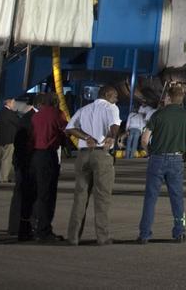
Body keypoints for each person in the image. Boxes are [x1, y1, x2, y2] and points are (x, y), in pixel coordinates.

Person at [137, 86, 186, 243]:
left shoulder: (158, 114)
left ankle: (145, 234)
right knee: (177, 197)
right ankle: (180, 231)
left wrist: (149, 151)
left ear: (169, 98)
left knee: (151, 198)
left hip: (157, 159)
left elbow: (144, 139)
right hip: (177, 159)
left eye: (165, 97)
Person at [64, 86, 122, 245]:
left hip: (83, 155)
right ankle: (102, 237)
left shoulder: (84, 109)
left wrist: (86, 136)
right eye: (115, 94)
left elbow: (70, 128)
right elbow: (114, 126)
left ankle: (73, 237)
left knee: (80, 197)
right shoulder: (111, 108)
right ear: (107, 94)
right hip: (101, 154)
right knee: (102, 197)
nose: (117, 98)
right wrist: (111, 136)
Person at [29, 92, 69, 241]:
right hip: (49, 155)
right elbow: (66, 130)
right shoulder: (58, 114)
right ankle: (44, 230)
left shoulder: (36, 116)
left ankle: (34, 223)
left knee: (38, 192)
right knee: (48, 194)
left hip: (36, 155)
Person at [5, 100, 36, 241]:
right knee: (25, 196)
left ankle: (15, 227)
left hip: (21, 162)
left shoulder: (24, 118)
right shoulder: (30, 119)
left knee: (19, 195)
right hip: (27, 163)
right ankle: (22, 227)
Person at [0, 98, 22, 182]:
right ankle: (3, 178)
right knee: (6, 159)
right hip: (9, 139)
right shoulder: (10, 113)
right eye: (13, 103)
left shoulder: (1, 112)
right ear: (8, 103)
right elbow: (18, 123)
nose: (14, 104)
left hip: (0, 139)